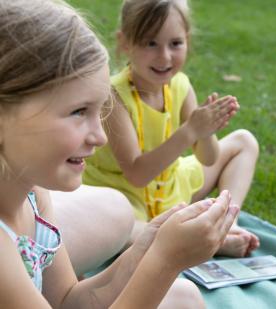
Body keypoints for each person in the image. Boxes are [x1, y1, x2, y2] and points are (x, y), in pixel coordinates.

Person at [0, 1, 238, 308]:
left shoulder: (33, 195)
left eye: (99, 110)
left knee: (184, 296)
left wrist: (148, 245)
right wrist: (164, 261)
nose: (99, 137)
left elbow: (67, 300)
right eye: (78, 111)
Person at [83, 0, 260, 258]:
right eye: (150, 43)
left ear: (187, 40)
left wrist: (205, 131)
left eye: (175, 44)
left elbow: (208, 158)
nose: (164, 57)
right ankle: (206, 241)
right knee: (120, 230)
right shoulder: (114, 97)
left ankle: (226, 222)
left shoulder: (180, 85)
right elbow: (137, 174)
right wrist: (189, 131)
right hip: (124, 198)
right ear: (125, 43)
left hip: (169, 186)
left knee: (244, 141)